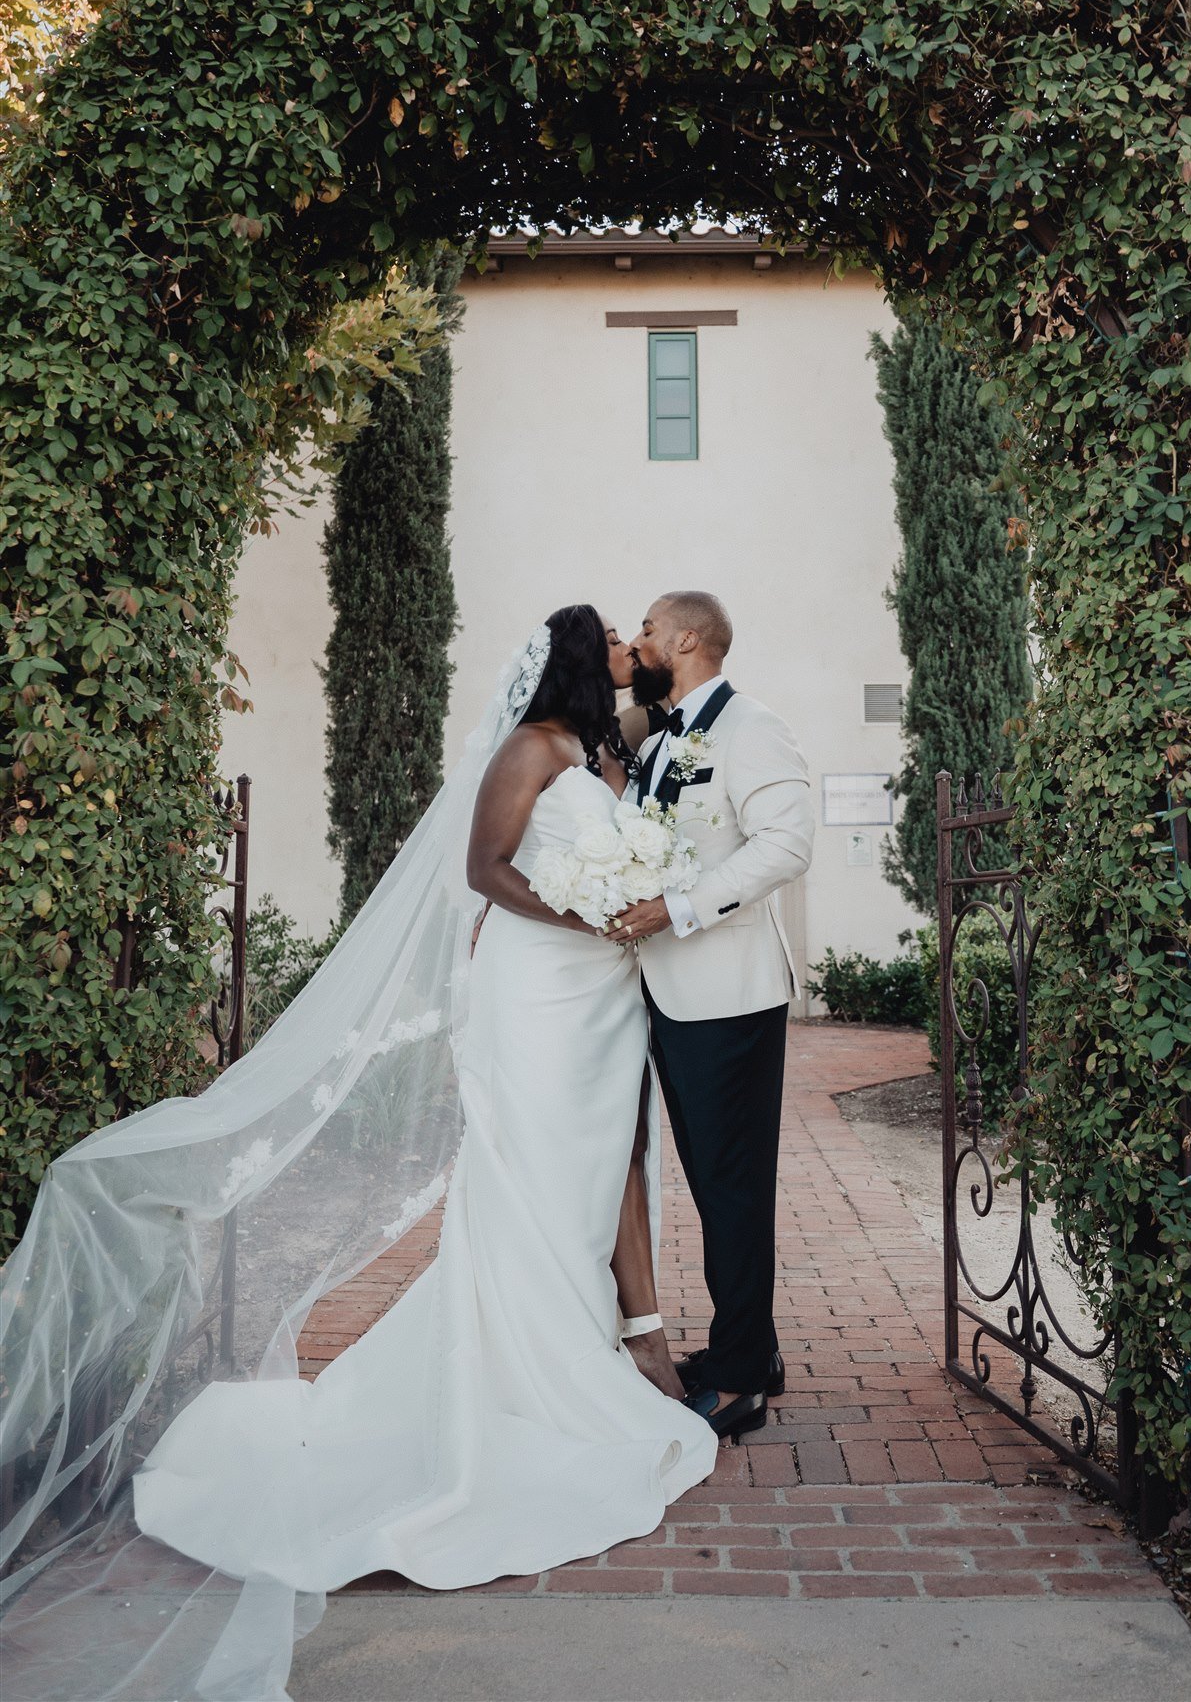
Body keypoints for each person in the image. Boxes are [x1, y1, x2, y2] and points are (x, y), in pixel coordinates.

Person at [0, 607, 715, 1702]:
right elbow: (484, 867)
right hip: (540, 990)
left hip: (602, 1005)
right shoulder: (529, 748)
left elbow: (657, 730)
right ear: (579, 654)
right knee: (524, 1176)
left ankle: (606, 1340)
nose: (629, 643)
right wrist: (585, 913)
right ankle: (529, 1381)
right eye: (614, 634)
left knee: (593, 1168)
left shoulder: (598, 745)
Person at [610, 592, 816, 1443]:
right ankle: (751, 1349)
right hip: (663, 996)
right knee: (711, 1186)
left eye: (649, 628)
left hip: (728, 995)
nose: (640, 639)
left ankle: (738, 1381)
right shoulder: (659, 736)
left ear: (688, 638)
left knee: (731, 1189)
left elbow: (785, 845)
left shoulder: (750, 727)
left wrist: (680, 908)